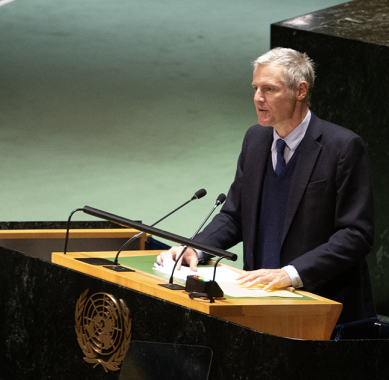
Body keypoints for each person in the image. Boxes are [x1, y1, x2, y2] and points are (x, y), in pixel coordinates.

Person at [157, 47, 376, 323]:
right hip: (259, 301)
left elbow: (356, 234)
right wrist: (196, 248)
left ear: (301, 91)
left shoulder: (342, 147)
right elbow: (235, 215)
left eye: (269, 89)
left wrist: (291, 274)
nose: (258, 98)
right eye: (256, 88)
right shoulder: (256, 139)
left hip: (321, 308)